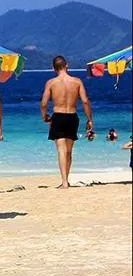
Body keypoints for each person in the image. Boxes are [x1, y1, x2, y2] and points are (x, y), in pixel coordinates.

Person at [40, 55, 93, 188]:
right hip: (72, 116)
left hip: (58, 116)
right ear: (67, 65)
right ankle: (66, 180)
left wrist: (44, 115)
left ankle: (64, 182)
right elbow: (85, 101)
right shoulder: (77, 82)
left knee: (61, 150)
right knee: (68, 151)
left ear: (53, 68)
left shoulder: (51, 83)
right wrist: (89, 119)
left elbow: (44, 103)